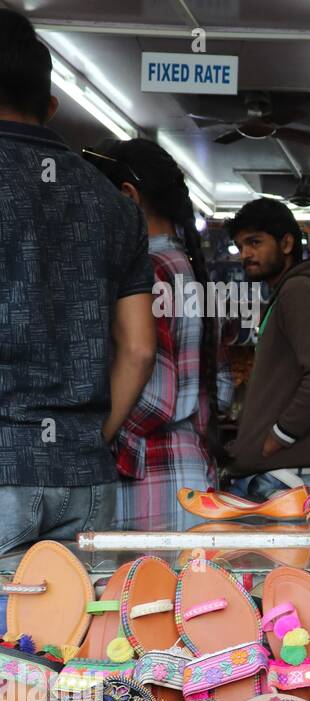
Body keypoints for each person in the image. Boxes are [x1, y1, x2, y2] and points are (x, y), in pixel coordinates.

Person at [0, 11, 156, 550]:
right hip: (88, 477)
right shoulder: (115, 205)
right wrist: (88, 440)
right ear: (50, 107)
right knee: (76, 634)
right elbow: (138, 351)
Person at [84, 139, 220, 530]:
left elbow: (155, 394)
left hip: (151, 477)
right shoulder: (187, 266)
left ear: (128, 197)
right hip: (188, 467)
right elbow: (221, 386)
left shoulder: (149, 269)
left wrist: (96, 440)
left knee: (142, 591)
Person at [225, 198, 310, 499]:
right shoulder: (288, 292)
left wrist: (277, 438)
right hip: (277, 474)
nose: (245, 255)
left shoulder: (299, 291)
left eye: (254, 242)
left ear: (286, 243)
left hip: (282, 479)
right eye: (240, 246)